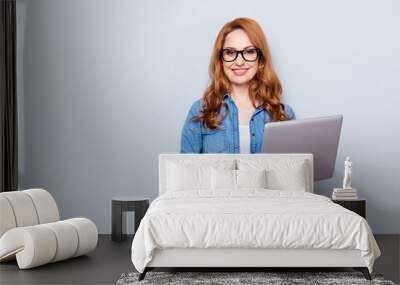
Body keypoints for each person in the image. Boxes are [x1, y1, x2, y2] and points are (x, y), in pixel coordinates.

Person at [180, 17, 295, 153]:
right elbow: (186, 170)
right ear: (220, 60)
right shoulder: (200, 110)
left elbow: (291, 171)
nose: (239, 62)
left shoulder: (283, 115)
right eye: (230, 52)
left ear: (261, 60)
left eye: (249, 51)